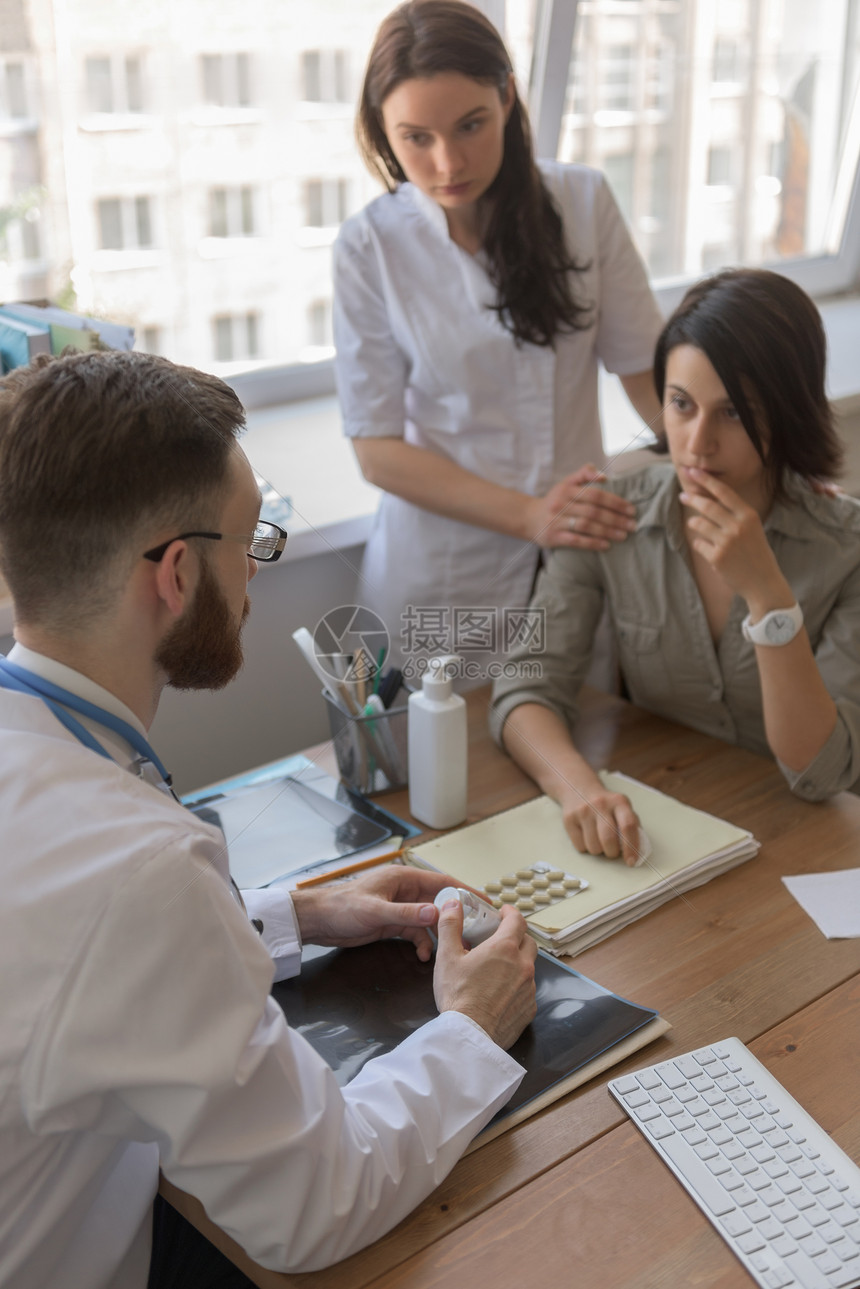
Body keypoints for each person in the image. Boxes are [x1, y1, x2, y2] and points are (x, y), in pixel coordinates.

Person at [0, 349, 538, 1289]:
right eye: (252, 541)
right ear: (173, 573)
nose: (253, 572)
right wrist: (471, 1026)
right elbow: (318, 1201)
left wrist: (298, 915)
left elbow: (72, 963)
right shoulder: (138, 873)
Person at [333, 0, 664, 680]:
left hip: (572, 566)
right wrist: (531, 515)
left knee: (576, 761)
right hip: (443, 577)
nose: (447, 161)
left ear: (507, 97)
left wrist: (746, 467)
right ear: (382, 133)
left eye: (470, 125)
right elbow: (377, 451)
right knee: (445, 773)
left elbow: (651, 378)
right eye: (415, 137)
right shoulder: (370, 246)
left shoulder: (583, 203)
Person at [490, 268, 860, 864]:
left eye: (734, 413)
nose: (696, 443)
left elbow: (821, 772)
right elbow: (525, 689)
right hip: (668, 832)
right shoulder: (610, 515)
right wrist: (579, 789)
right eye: (681, 405)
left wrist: (769, 598)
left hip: (812, 848)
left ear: (787, 412)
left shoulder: (849, 549)